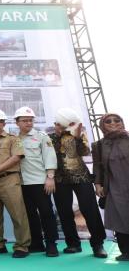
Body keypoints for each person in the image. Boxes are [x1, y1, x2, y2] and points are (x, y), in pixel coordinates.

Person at [49, 108, 107, 258]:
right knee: (64, 212)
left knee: (90, 210)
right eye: (57, 125)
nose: (59, 127)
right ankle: (73, 244)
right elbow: (49, 156)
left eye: (61, 125)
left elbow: (84, 152)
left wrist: (77, 137)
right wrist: (59, 135)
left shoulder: (78, 135)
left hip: (81, 177)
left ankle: (98, 244)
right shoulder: (49, 138)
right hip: (59, 179)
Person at [0, 109, 31, 258]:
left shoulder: (12, 139)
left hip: (9, 179)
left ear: (3, 123)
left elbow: (16, 157)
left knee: (18, 214)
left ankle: (22, 246)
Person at [14, 107, 59, 257]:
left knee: (46, 213)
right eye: (24, 120)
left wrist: (50, 177)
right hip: (21, 183)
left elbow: (49, 156)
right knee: (29, 215)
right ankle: (37, 243)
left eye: (30, 120)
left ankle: (51, 244)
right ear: (17, 122)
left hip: (40, 182)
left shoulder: (41, 136)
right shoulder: (14, 139)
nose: (28, 123)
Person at [92, 113, 129, 261]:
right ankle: (126, 251)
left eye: (117, 120)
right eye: (108, 121)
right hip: (114, 187)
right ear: (102, 126)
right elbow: (98, 167)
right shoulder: (99, 145)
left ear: (122, 122)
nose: (113, 123)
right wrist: (98, 184)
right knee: (119, 218)